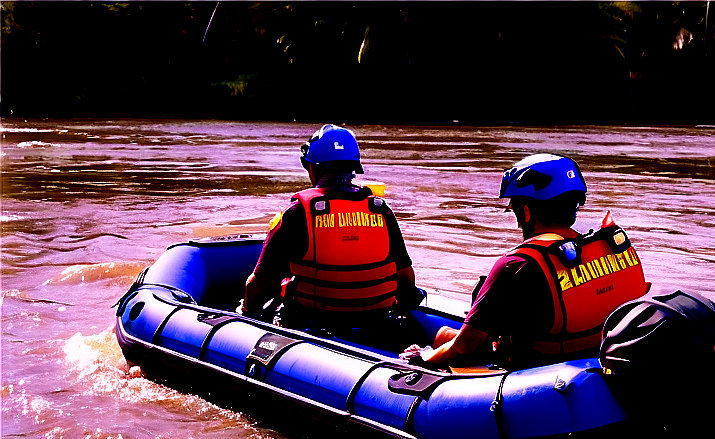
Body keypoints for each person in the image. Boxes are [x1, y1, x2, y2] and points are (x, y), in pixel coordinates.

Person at [400, 153, 650, 370]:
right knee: (445, 334)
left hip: (536, 375)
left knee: (444, 341)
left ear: (527, 211)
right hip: (597, 360)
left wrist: (424, 357)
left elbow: (465, 347)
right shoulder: (608, 247)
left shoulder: (517, 265)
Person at [240, 124, 419, 342]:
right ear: (354, 168)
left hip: (314, 328)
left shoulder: (296, 214)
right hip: (380, 326)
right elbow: (406, 279)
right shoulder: (381, 211)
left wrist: (245, 312)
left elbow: (259, 285)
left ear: (312, 167)